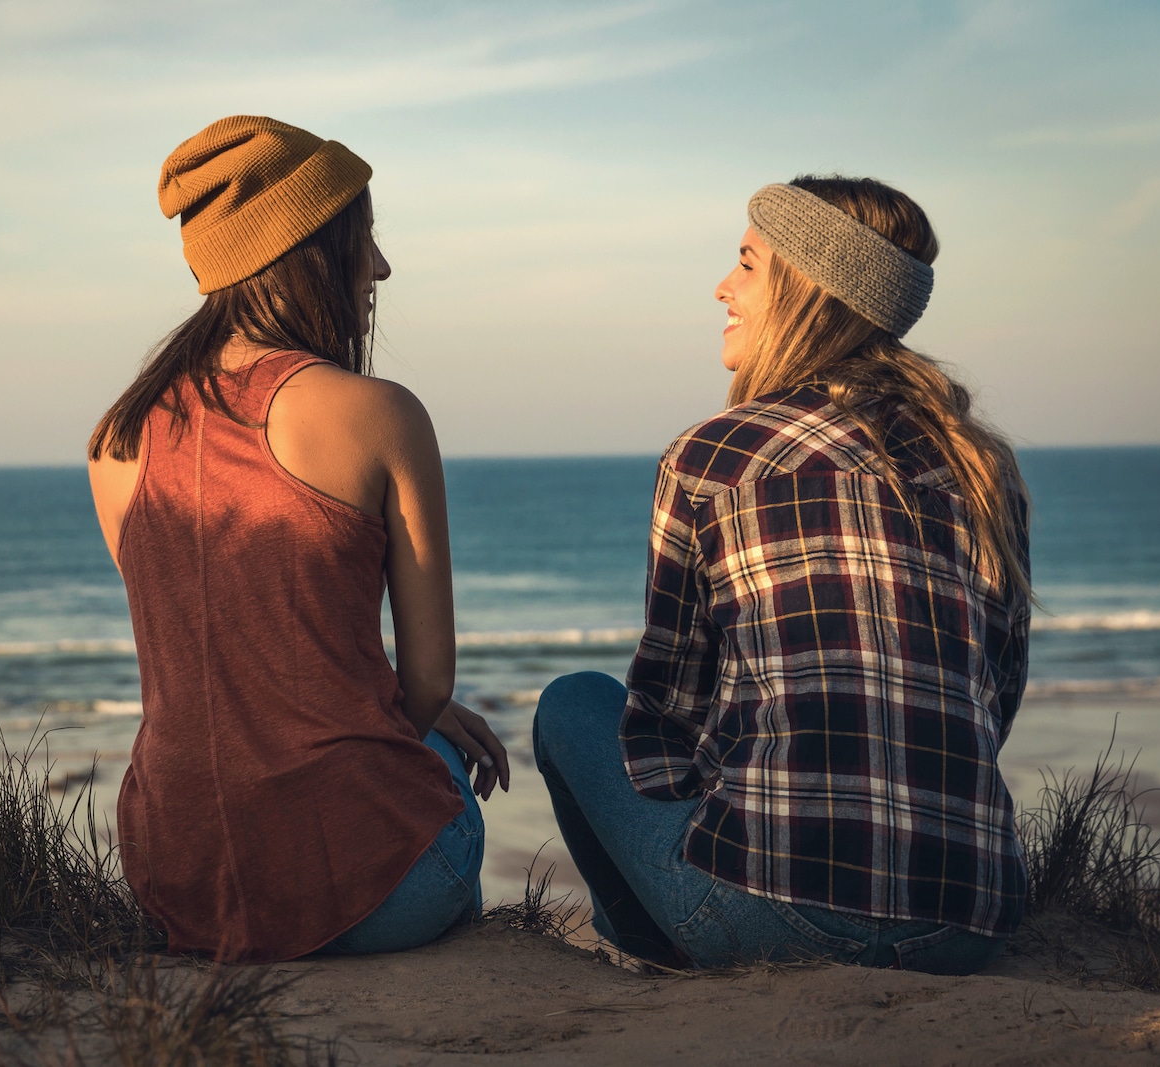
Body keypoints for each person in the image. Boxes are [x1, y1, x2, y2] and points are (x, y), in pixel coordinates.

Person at [534, 176, 1031, 975]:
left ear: (808, 291)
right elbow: (996, 693)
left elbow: (667, 717)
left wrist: (737, 811)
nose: (722, 286)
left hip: (766, 912)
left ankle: (655, 944)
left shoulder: (713, 456)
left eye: (747, 263)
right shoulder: (982, 468)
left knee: (572, 704)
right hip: (968, 921)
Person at [87, 115, 509, 963]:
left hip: (183, 889)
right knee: (441, 756)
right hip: (377, 896)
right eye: (365, 239)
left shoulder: (116, 437)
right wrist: (405, 715)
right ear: (309, 252)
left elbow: (230, 650)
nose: (382, 266)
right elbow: (428, 679)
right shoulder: (380, 413)